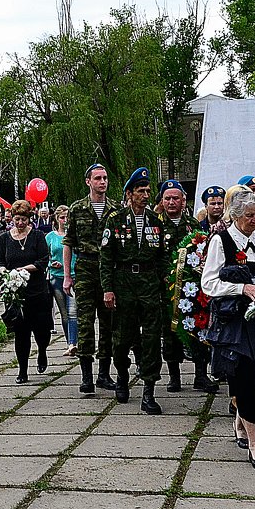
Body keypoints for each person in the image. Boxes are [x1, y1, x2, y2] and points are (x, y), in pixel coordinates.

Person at [201, 190, 255, 470]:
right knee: (245, 378)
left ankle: (241, 423)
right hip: (234, 323)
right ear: (234, 216)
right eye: (249, 216)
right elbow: (208, 284)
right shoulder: (220, 241)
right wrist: (242, 288)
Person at [101, 167, 169, 414]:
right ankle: (121, 374)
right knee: (121, 337)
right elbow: (106, 258)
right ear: (129, 194)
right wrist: (108, 289)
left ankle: (149, 392)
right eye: (141, 191)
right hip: (124, 282)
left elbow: (162, 256)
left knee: (151, 339)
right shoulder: (115, 220)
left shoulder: (155, 222)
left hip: (149, 283)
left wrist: (165, 282)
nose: (145, 195)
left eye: (148, 191)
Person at [158, 179, 215, 393]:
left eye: (176, 198)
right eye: (167, 198)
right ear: (162, 202)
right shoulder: (155, 225)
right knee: (170, 333)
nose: (172, 202)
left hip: (192, 290)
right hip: (167, 290)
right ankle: (174, 377)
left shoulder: (193, 225)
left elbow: (203, 252)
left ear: (184, 201)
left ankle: (201, 375)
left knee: (197, 329)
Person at [64, 163, 116, 394]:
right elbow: (68, 243)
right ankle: (87, 376)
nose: (102, 182)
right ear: (88, 182)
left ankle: (104, 374)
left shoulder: (115, 209)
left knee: (108, 324)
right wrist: (67, 275)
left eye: (105, 178)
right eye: (97, 178)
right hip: (85, 268)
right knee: (85, 322)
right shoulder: (77, 209)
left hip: (109, 269)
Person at [0, 200, 53, 383]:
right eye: (17, 219)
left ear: (30, 219)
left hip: (37, 291)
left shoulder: (37, 236)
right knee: (21, 333)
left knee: (42, 331)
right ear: (12, 218)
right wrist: (4, 271)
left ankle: (42, 351)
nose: (20, 223)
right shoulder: (5, 238)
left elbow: (44, 260)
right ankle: (22, 370)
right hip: (16, 294)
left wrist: (25, 270)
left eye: (24, 219)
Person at [46, 205, 78, 356]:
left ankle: (74, 342)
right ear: (57, 219)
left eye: (67, 217)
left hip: (74, 275)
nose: (65, 220)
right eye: (62, 218)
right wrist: (50, 263)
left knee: (74, 311)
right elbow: (44, 257)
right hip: (57, 277)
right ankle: (69, 342)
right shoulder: (50, 237)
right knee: (64, 312)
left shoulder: (75, 235)